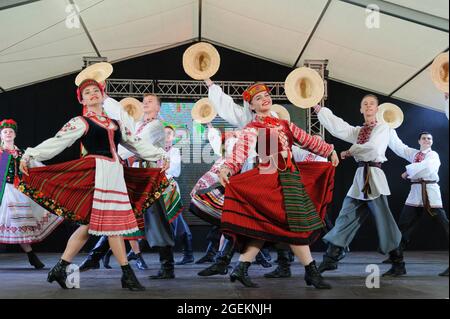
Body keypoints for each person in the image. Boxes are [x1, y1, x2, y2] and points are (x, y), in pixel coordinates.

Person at [19, 79, 168, 291]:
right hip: (98, 175)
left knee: (93, 226)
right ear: (83, 99)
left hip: (115, 174)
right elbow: (57, 141)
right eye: (87, 92)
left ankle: (61, 268)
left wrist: (160, 154)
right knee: (112, 226)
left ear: (102, 94)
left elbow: (135, 144)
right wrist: (32, 154)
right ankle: (127, 274)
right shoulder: (81, 122)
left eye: (95, 91)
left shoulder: (115, 123)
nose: (92, 94)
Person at [218, 83, 339, 289]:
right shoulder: (253, 128)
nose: (264, 99)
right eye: (258, 98)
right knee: (294, 226)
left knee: (266, 225)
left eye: (266, 95)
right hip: (270, 179)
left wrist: (328, 150)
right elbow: (240, 151)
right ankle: (311, 273)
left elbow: (308, 140)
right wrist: (227, 167)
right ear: (252, 107)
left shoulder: (285, 124)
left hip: (290, 178)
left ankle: (241, 268)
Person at [314, 95, 402, 274]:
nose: (368, 106)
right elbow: (340, 128)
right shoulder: (359, 131)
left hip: (374, 178)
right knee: (345, 217)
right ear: (361, 110)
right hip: (361, 177)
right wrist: (320, 110)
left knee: (384, 221)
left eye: (372, 104)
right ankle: (331, 257)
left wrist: (350, 151)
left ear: (377, 109)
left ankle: (398, 262)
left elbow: (374, 148)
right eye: (365, 104)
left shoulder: (383, 128)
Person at [0, 119, 63, 269]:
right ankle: (32, 257)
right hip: (3, 191)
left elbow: (36, 167)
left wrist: (52, 175)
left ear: (15, 135)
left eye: (11, 131)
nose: (8, 133)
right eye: (5, 132)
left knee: (20, 223)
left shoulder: (22, 153)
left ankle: (31, 256)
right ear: (1, 135)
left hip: (17, 191)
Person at [385, 130, 449, 277]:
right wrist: (389, 129)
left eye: (429, 139)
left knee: (445, 226)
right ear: (419, 141)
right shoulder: (414, 154)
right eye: (424, 138)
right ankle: (397, 260)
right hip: (415, 194)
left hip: (430, 192)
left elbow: (428, 167)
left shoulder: (433, 155)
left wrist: (408, 171)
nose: (427, 140)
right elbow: (399, 147)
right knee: (403, 226)